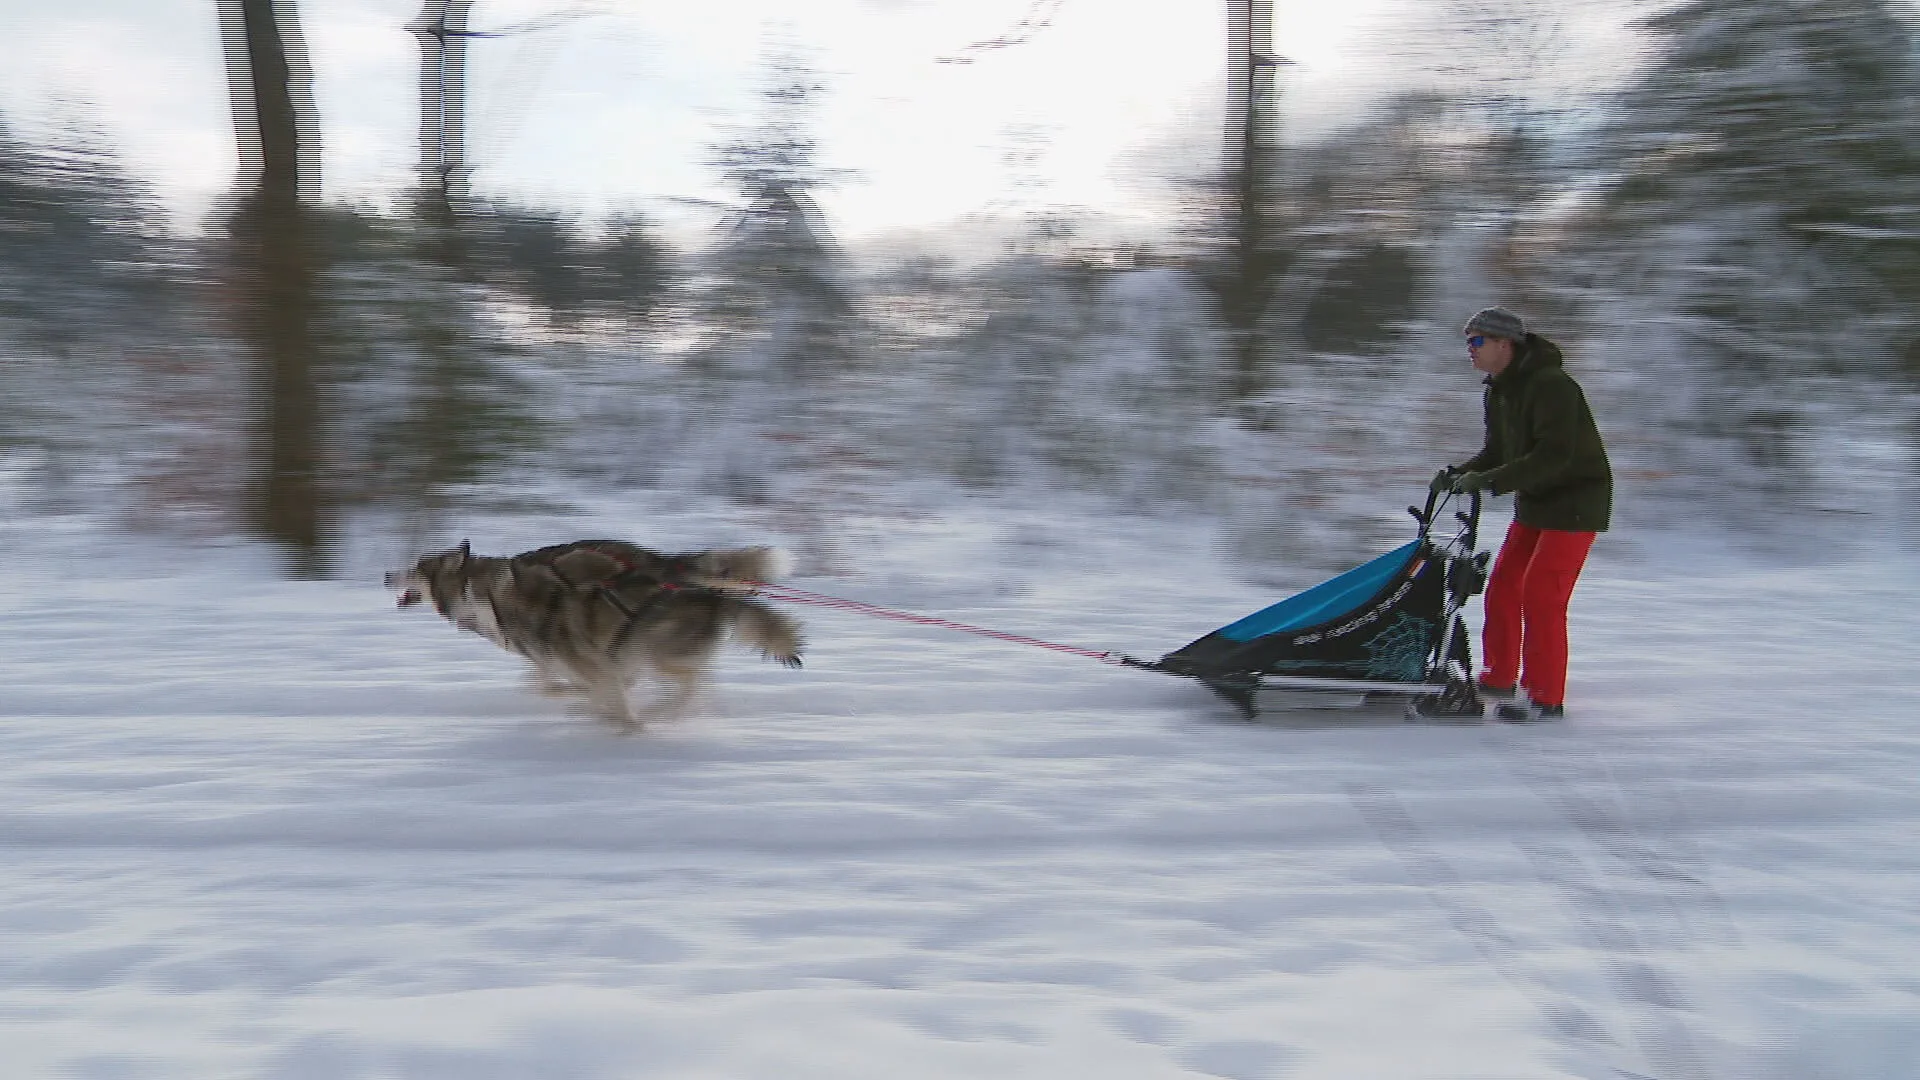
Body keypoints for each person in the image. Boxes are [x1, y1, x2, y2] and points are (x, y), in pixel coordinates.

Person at [1424, 307, 1612, 722]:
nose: (1469, 351)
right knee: (1504, 584)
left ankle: (1545, 697)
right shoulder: (1498, 389)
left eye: (1476, 342)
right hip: (1535, 500)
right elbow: (1498, 454)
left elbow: (1554, 454)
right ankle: (1498, 677)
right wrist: (1460, 474)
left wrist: (1490, 481)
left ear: (1504, 344)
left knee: (1541, 595)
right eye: (1467, 342)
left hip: (1576, 501)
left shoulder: (1552, 386)